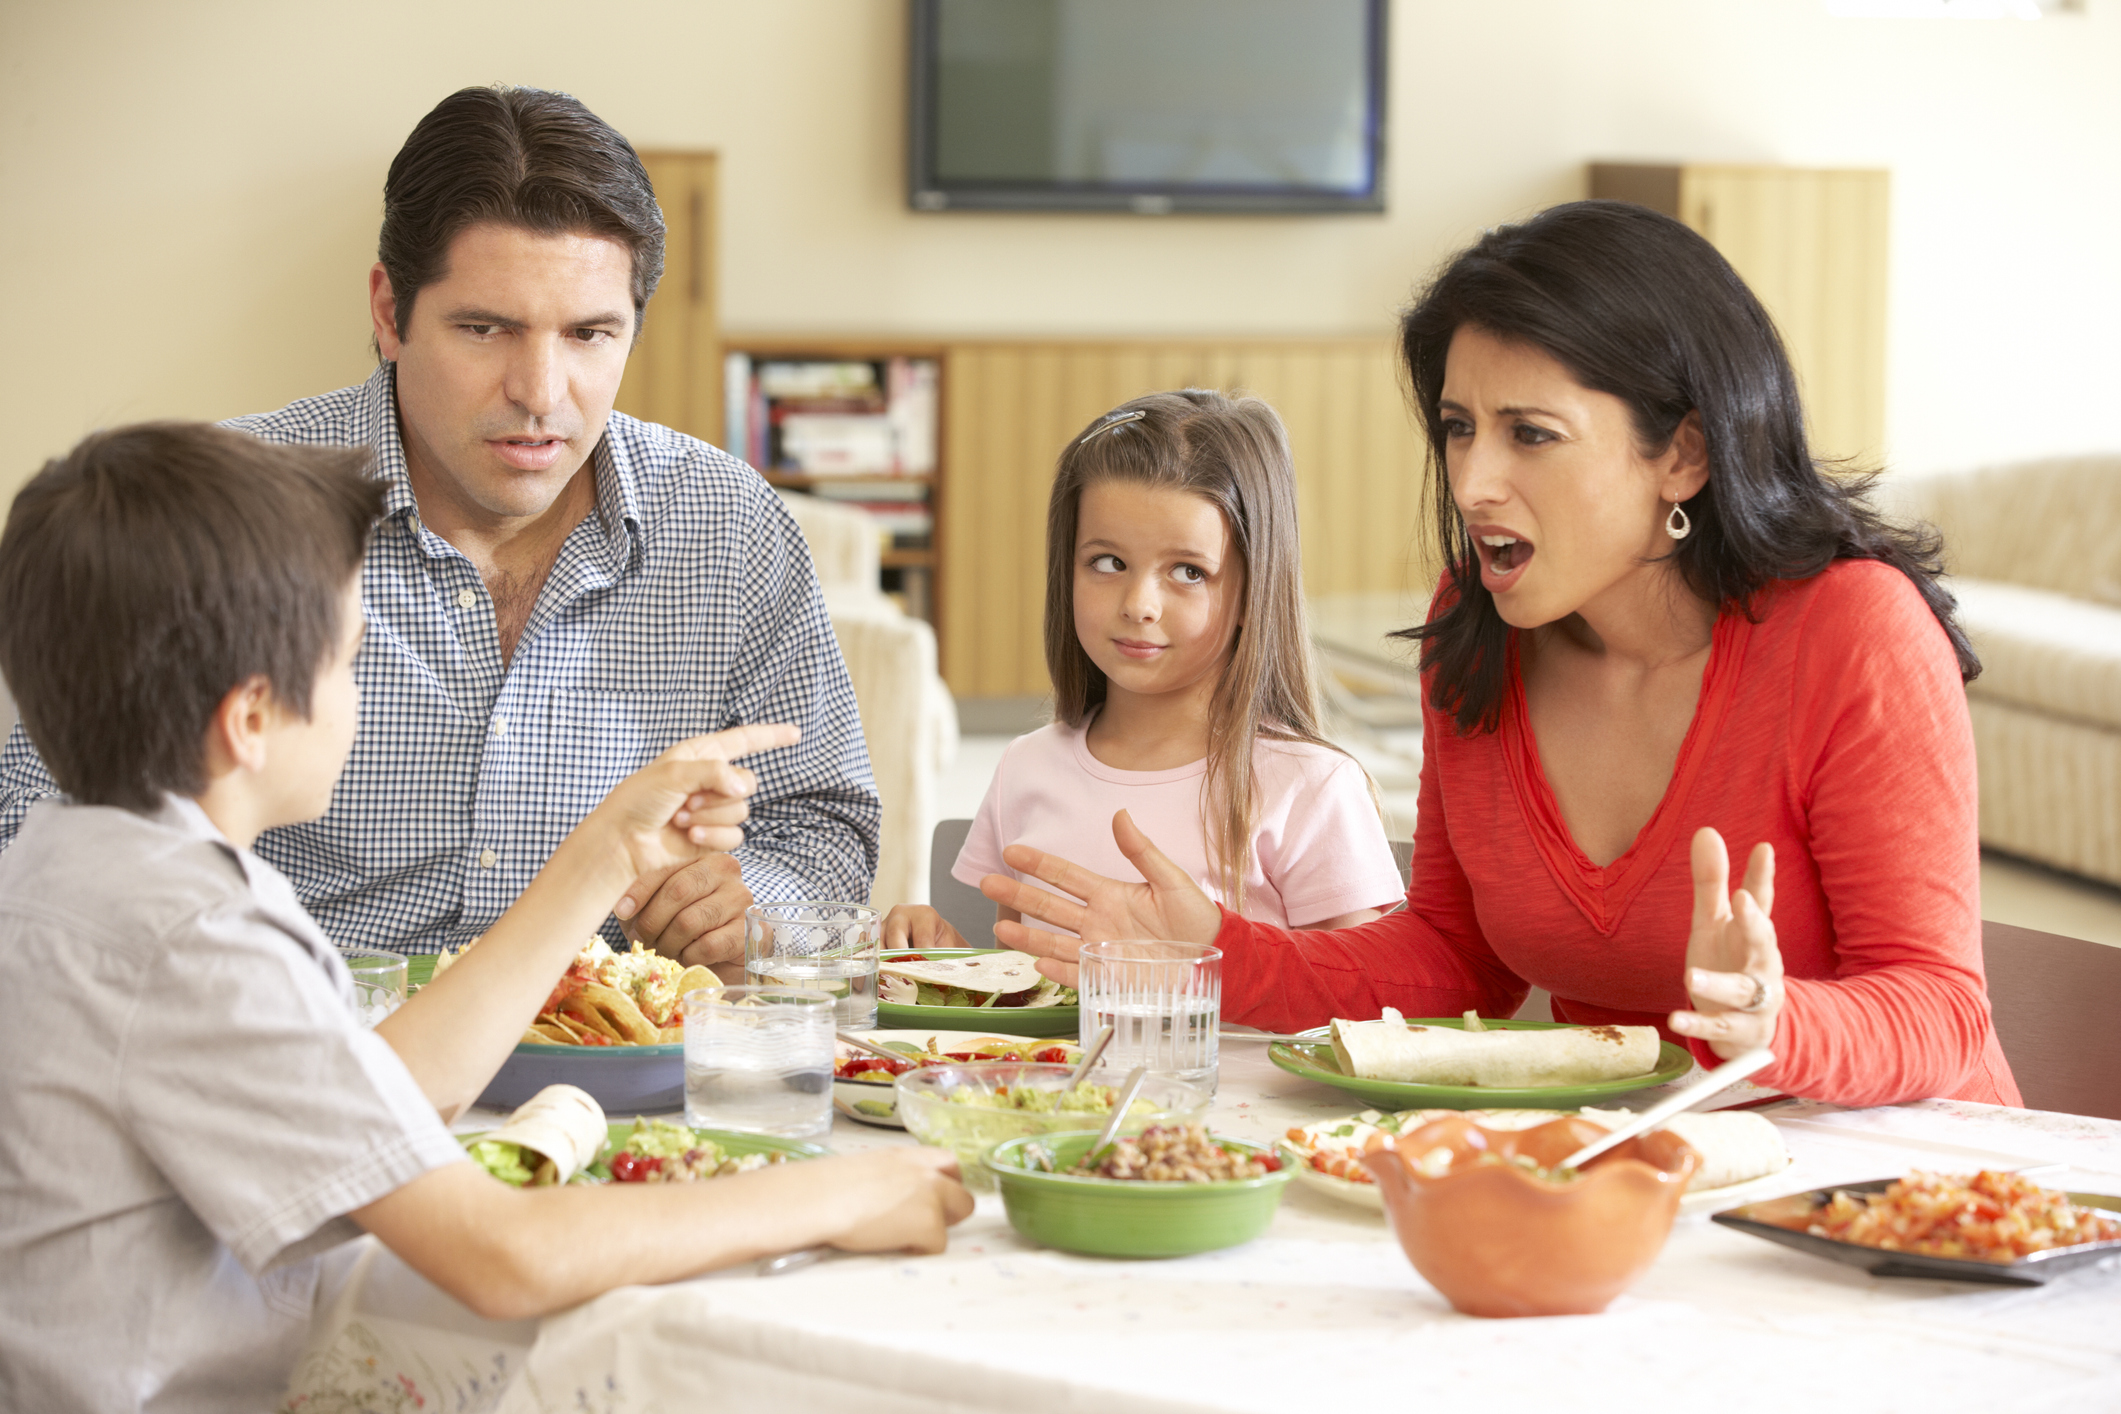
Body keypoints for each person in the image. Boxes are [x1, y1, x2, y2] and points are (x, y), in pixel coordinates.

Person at [0, 423, 971, 1414]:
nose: (358, 697)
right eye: (349, 661)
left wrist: (608, 854)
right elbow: (501, 1255)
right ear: (251, 719)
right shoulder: (195, 939)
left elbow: (377, 1094)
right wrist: (836, 1192)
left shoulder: (81, 860)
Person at [978, 201, 2022, 1110]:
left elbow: (1940, 1008)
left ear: (1684, 454)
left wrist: (1775, 1019)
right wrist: (1213, 948)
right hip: (1628, 1168)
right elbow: (1450, 963)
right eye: (1458, 427)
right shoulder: (1478, 630)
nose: (1472, 482)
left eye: (1530, 433)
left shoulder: (1856, 634)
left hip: (1894, 1189)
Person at [0, 85, 879, 969]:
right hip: (294, 1052)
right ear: (389, 312)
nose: (540, 393)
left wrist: (742, 904)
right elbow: (38, 835)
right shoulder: (229, 507)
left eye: (588, 335)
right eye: (485, 328)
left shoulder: (727, 523)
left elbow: (827, 826)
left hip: (616, 1069)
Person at [885, 391, 1402, 950]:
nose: (1139, 603)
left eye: (1187, 571)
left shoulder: (1311, 787)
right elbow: (1027, 989)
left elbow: (1356, 1003)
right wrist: (943, 958)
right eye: (1108, 563)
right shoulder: (1025, 767)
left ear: (1257, 590)